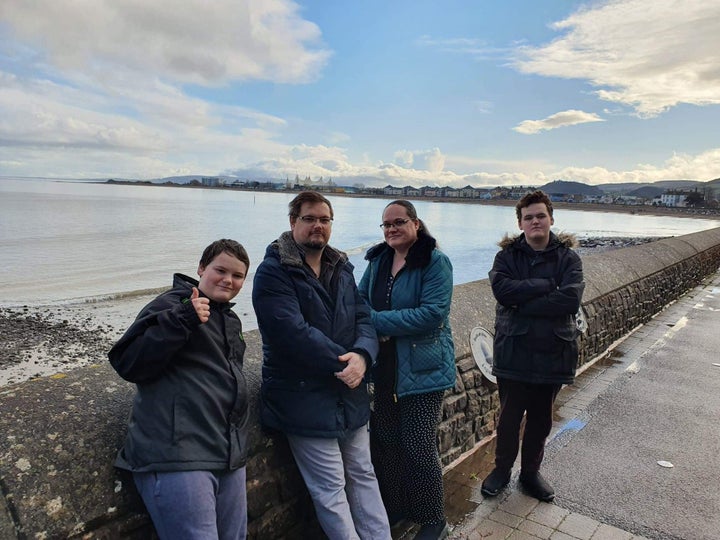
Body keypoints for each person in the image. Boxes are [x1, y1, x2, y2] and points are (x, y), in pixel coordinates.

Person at [251, 191, 391, 540]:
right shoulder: (273, 272)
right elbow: (292, 333)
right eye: (309, 218)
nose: (318, 226)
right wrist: (347, 364)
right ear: (292, 222)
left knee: (363, 475)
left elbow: (363, 316)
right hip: (303, 398)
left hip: (349, 392)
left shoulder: (341, 266)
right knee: (330, 489)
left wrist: (362, 356)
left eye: (324, 220)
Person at [108, 239, 251, 540]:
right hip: (178, 457)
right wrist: (183, 318)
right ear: (201, 268)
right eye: (220, 270)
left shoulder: (228, 318)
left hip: (226, 454)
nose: (228, 280)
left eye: (237, 276)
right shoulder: (173, 304)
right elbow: (128, 362)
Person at [358, 200, 455, 540]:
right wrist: (369, 321)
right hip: (384, 370)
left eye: (398, 222)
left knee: (418, 446)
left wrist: (376, 322)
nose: (391, 229)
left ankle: (433, 520)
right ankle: (397, 509)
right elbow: (359, 302)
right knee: (386, 442)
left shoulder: (435, 262)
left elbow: (431, 314)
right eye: (385, 225)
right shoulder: (378, 260)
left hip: (423, 371)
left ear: (415, 224)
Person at [481, 190, 584, 502]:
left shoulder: (569, 258)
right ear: (520, 223)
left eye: (541, 215)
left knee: (540, 419)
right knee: (509, 417)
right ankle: (501, 470)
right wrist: (544, 286)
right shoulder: (507, 257)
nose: (535, 221)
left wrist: (523, 302)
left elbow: (570, 299)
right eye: (529, 217)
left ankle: (530, 474)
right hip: (514, 350)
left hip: (554, 351)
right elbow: (503, 291)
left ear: (551, 218)